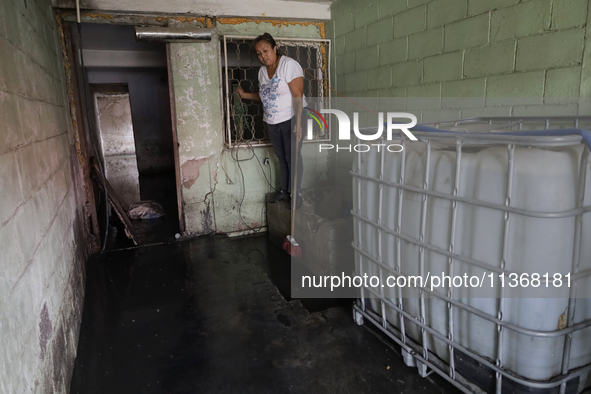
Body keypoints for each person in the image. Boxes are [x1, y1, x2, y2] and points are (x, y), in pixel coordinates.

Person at [236, 33, 304, 207]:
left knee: (292, 157)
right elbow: (264, 96)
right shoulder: (262, 71)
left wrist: (299, 121)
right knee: (281, 158)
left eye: (265, 50)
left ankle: (296, 194)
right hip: (272, 122)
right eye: (259, 53)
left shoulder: (289, 66)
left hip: (290, 119)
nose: (263, 56)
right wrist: (245, 95)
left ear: (275, 48)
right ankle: (284, 191)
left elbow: (297, 95)